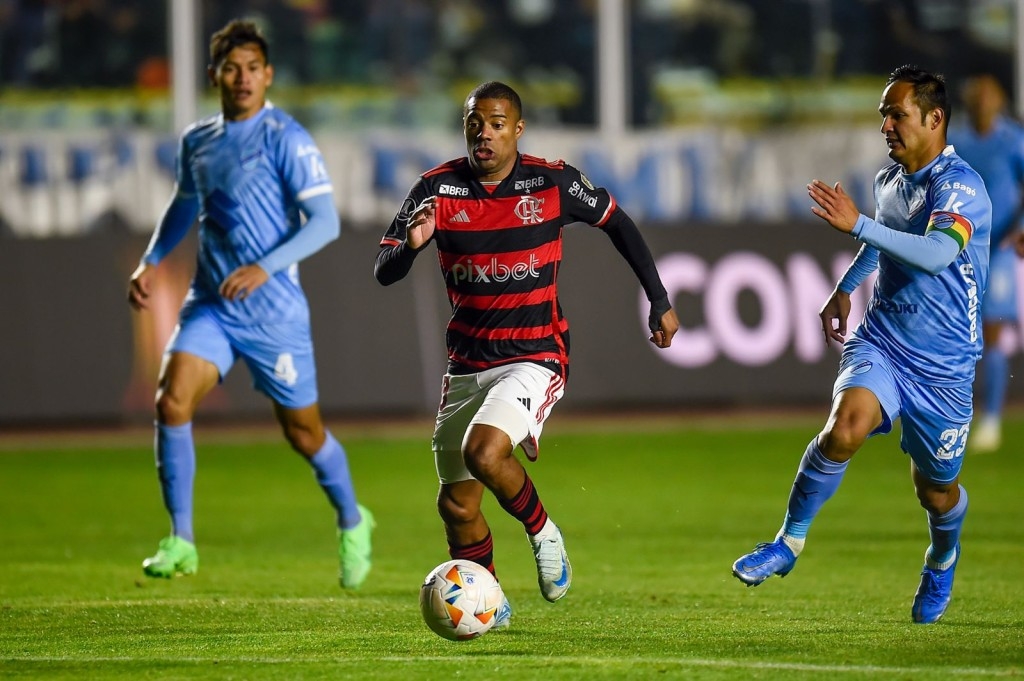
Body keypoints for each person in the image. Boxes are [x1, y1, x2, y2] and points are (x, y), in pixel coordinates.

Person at [374, 81, 680, 626]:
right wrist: (414, 246)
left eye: (496, 124)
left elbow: (619, 223)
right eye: (475, 123)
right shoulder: (436, 190)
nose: (483, 134)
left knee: (485, 453)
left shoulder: (553, 183)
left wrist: (658, 300)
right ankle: (493, 606)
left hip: (535, 354)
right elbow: (384, 271)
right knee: (457, 506)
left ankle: (544, 533)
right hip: (467, 363)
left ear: (517, 129)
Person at [731, 65, 991, 624]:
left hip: (945, 369)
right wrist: (845, 288)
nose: (886, 127)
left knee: (936, 492)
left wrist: (857, 227)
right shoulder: (889, 182)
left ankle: (942, 556)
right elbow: (884, 244)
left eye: (896, 115)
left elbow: (935, 254)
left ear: (934, 118)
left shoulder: (962, 187)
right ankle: (788, 542)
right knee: (844, 427)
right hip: (884, 343)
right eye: (882, 116)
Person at [127, 19, 373, 588]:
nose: (243, 78)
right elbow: (184, 207)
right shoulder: (198, 141)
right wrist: (152, 258)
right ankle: (181, 540)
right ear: (214, 74)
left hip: (274, 313)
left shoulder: (286, 138)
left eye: (253, 69)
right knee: (171, 402)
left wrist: (266, 266)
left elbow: (326, 222)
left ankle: (353, 520)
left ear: (269, 76)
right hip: (211, 304)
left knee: (304, 434)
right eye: (232, 68)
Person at [948, 73, 1024, 453]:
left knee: (991, 329)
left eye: (989, 97)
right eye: (976, 97)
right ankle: (951, 416)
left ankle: (991, 419)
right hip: (959, 249)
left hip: (1000, 251)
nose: (982, 103)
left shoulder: (1013, 140)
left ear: (998, 102)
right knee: (956, 334)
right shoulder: (955, 141)